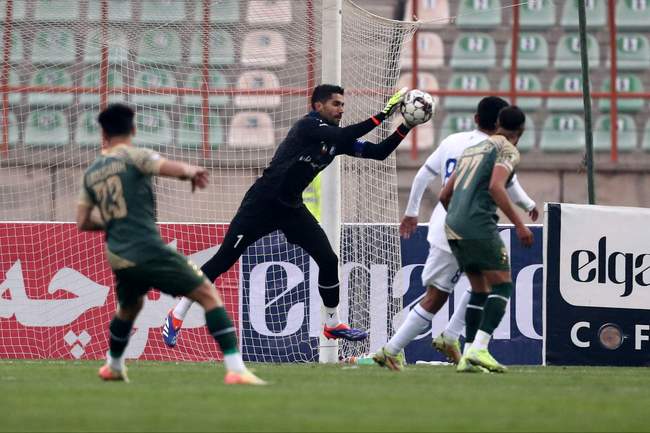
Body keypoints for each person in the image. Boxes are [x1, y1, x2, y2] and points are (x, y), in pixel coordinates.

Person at [163, 84, 424, 347]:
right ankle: (177, 314)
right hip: (261, 204)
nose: (341, 109)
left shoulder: (335, 141)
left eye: (343, 105)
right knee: (223, 259)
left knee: (328, 259)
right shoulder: (308, 126)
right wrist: (383, 114)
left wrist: (405, 126)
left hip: (291, 208)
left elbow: (378, 153)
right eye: (335, 104)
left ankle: (332, 324)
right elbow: (345, 135)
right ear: (318, 106)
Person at [77, 103, 265, 385]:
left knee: (129, 308)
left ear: (103, 133)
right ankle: (236, 370)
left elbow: (83, 221)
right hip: (148, 249)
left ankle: (113, 366)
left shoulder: (92, 172)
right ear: (133, 129)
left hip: (118, 255)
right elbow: (164, 167)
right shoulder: (134, 155)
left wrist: (115, 223)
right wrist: (190, 171)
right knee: (207, 294)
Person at [373, 97, 537, 372]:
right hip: (470, 224)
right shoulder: (500, 149)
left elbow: (427, 179)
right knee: (442, 295)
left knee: (479, 284)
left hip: (448, 221)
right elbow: (506, 185)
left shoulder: (456, 142)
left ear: (477, 119)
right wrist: (527, 210)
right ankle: (393, 349)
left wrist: (413, 212)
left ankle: (455, 340)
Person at [439, 105, 533, 373]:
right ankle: (480, 348)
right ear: (521, 131)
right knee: (502, 285)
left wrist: (458, 218)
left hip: (452, 225)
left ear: (498, 122)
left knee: (480, 289)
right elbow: (496, 186)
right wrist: (520, 225)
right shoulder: (508, 149)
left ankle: (468, 356)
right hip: (478, 224)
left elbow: (444, 195)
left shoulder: (471, 149)